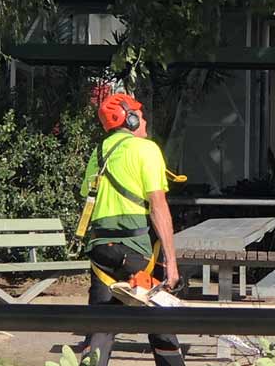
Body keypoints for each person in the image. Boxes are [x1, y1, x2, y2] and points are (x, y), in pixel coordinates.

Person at [80, 92, 185, 366]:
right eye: (141, 114)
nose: (146, 120)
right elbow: (158, 207)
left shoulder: (99, 151)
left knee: (101, 329)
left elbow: (88, 196)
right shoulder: (146, 149)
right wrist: (172, 264)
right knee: (161, 317)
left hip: (101, 252)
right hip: (135, 252)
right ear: (131, 118)